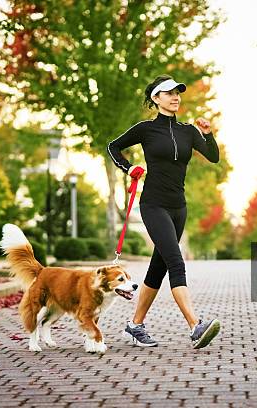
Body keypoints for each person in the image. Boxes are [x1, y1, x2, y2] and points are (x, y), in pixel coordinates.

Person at [107, 74, 221, 349]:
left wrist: (208, 133)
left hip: (179, 208)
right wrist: (129, 168)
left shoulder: (188, 131)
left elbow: (214, 156)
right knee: (175, 262)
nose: (175, 97)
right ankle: (196, 326)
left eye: (178, 93)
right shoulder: (146, 129)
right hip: (153, 205)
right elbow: (113, 147)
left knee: (158, 268)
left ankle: (135, 326)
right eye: (169, 93)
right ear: (156, 98)